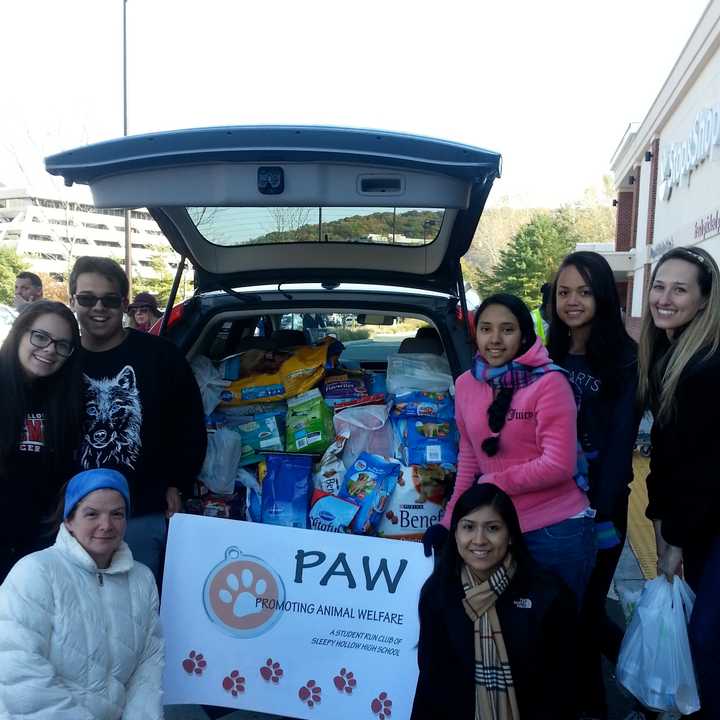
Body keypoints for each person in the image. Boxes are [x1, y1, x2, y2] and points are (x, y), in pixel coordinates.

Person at [426, 293, 595, 604]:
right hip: (496, 533)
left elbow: (559, 464)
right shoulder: (465, 384)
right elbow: (469, 458)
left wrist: (492, 484)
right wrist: (448, 522)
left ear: (524, 334)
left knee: (560, 637)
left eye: (507, 329)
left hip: (555, 530)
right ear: (474, 334)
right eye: (486, 329)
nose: (495, 339)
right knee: (510, 638)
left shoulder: (550, 383)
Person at [68, 256, 207, 583]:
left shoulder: (161, 356)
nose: (98, 308)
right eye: (87, 298)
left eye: (110, 299)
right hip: (72, 516)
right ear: (73, 300)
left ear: (125, 304)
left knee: (137, 611)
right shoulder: (62, 357)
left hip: (142, 512)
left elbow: (189, 426)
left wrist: (178, 483)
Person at [548, 251, 640, 720]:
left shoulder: (623, 360)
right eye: (564, 292)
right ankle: (608, 695)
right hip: (551, 506)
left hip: (600, 507)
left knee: (583, 615)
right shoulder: (547, 353)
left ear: (602, 296)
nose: (573, 301)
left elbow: (622, 444)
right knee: (572, 614)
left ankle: (634, 685)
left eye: (584, 291)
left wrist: (600, 514)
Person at [0, 469, 164, 719]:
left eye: (117, 514)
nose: (106, 525)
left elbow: (148, 669)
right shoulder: (36, 571)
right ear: (69, 520)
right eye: (92, 514)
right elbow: (16, 669)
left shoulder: (142, 580)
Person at [637, 246, 720, 719]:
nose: (664, 298)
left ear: (705, 300)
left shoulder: (706, 366)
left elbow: (702, 470)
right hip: (702, 525)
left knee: (707, 639)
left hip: (709, 523)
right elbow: (670, 459)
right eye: (659, 286)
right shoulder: (672, 354)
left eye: (680, 289)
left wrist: (673, 539)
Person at [412, 483, 577, 720]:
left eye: (492, 528)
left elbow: (562, 683)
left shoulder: (548, 595)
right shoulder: (438, 592)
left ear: (510, 535)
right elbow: (431, 680)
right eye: (468, 527)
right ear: (455, 533)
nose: (479, 540)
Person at [0, 300, 83, 581]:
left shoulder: (65, 400)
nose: (49, 349)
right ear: (20, 333)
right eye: (40, 337)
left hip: (37, 546)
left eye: (62, 344)